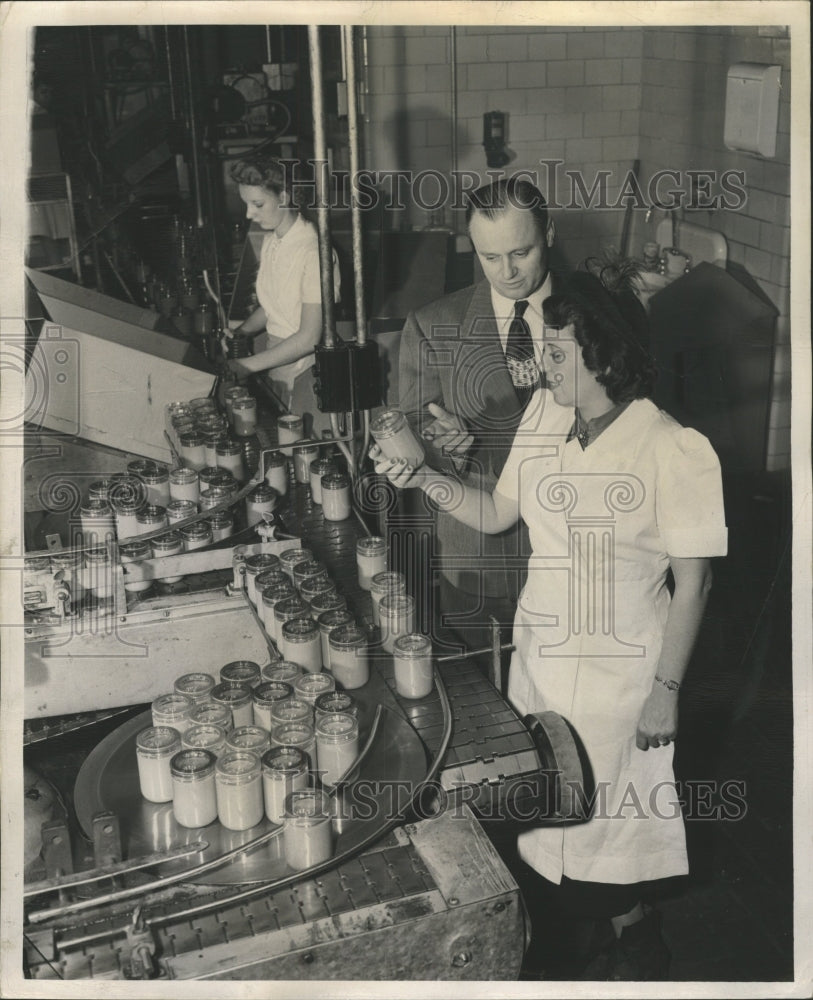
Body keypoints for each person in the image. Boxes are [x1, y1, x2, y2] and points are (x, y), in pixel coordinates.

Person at [373, 264, 728, 980]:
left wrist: (666, 689)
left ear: (603, 354)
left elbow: (695, 583)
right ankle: (579, 937)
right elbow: (495, 512)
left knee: (609, 823)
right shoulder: (542, 416)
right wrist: (420, 477)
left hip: (622, 671)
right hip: (542, 655)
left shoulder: (672, 447)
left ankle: (634, 935)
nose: (542, 364)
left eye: (557, 351)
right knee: (548, 814)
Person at [396, 176, 558, 660]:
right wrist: (447, 445)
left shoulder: (595, 314)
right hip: (480, 561)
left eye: (520, 253)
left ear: (550, 232)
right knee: (490, 698)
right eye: (490, 257)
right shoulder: (432, 325)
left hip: (574, 552)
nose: (506, 272)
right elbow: (407, 434)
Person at [224, 155, 340, 433]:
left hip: (307, 369)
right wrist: (241, 332)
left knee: (301, 443)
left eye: (258, 204)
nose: (249, 214)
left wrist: (246, 365)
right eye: (247, 204)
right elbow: (272, 306)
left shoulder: (314, 252)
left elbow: (309, 337)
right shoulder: (273, 241)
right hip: (276, 359)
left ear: (285, 197)